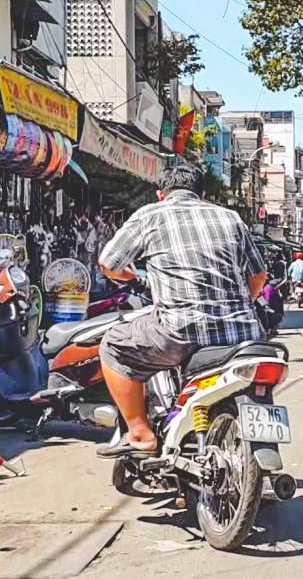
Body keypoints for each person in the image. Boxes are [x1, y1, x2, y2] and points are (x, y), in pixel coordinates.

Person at [95, 165, 267, 458]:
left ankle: (140, 435)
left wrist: (131, 278)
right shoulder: (230, 217)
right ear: (202, 193)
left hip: (181, 332)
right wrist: (240, 306)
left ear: (161, 194)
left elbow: (108, 263)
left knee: (113, 345)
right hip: (244, 333)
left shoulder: (150, 215)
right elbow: (258, 276)